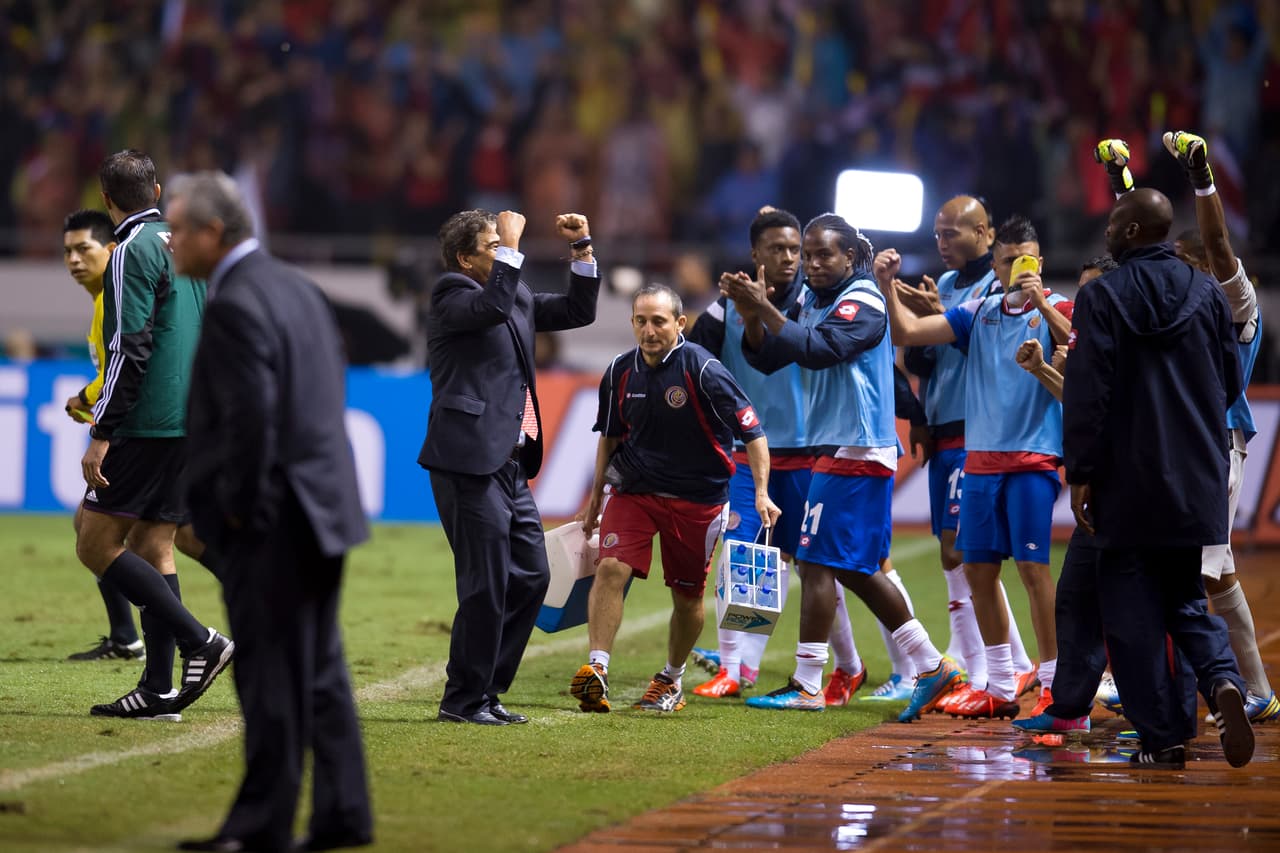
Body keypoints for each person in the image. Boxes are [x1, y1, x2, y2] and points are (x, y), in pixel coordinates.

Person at [169, 171, 372, 853]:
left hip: (273, 517)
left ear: (213, 233)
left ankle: (261, 825)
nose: (169, 239)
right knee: (319, 668)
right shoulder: (294, 286)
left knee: (269, 674)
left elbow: (251, 417)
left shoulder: (234, 301)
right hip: (324, 504)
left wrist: (235, 511)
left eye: (177, 227)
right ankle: (343, 811)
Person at [722, 213, 960, 720]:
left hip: (858, 447)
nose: (811, 263)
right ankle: (929, 664)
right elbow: (767, 360)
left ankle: (811, 681)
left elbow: (820, 351)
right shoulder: (813, 297)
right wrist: (751, 315)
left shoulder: (865, 300)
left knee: (817, 562)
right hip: (835, 446)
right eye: (808, 255)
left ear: (851, 257)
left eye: (823, 254)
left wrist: (766, 306)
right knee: (851, 568)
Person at [1063, 186, 1252, 769]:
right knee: (1187, 603)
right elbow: (1230, 380)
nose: (1108, 233)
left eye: (1116, 225)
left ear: (1134, 232)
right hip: (1195, 476)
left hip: (1127, 478)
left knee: (1130, 616)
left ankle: (1162, 738)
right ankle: (1222, 680)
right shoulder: (1205, 291)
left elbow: (1089, 392)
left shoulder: (1102, 297)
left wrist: (1083, 472)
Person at [874, 216, 1071, 720]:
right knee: (977, 569)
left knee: (1033, 569)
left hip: (1032, 461)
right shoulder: (978, 312)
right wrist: (884, 285)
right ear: (997, 265)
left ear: (1041, 263)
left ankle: (1051, 682)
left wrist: (1043, 303)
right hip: (981, 463)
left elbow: (1083, 345)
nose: (1018, 270)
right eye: (1009, 262)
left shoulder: (1060, 308)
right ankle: (1001, 684)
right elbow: (907, 330)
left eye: (1027, 261)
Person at [421, 208, 600, 726]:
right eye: (492, 243)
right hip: (468, 460)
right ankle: (461, 701)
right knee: (486, 583)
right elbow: (493, 304)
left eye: (504, 242)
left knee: (532, 576)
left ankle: (488, 691)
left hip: (511, 462)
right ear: (464, 258)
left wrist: (582, 249)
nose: (503, 248)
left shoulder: (511, 292)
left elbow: (576, 311)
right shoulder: (451, 294)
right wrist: (516, 247)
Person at [571, 284, 780, 714]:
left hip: (698, 499)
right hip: (634, 490)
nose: (649, 330)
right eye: (641, 321)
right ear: (631, 323)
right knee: (610, 567)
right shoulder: (618, 372)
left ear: (679, 324)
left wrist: (760, 492)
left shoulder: (703, 370)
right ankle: (597, 669)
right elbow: (609, 437)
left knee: (687, 599)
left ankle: (671, 678)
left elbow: (753, 431)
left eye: (659, 321)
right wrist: (595, 497)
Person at [77, 149, 232, 722]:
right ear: (160, 191)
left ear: (106, 199)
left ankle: (202, 641)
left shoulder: (128, 252)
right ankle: (159, 690)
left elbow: (129, 348)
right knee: (154, 543)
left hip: (148, 420)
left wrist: (103, 431)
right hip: (190, 417)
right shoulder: (185, 242)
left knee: (94, 542)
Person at [896, 196, 1039, 710]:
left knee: (968, 552)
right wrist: (918, 416)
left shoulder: (994, 288)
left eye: (951, 233)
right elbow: (922, 359)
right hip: (943, 425)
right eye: (937, 234)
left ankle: (991, 665)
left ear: (984, 232)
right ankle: (1000, 661)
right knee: (954, 554)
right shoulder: (949, 285)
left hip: (979, 431)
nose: (941, 243)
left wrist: (938, 317)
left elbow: (994, 349)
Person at [59, 209, 143, 662]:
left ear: (111, 250)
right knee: (96, 528)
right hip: (142, 429)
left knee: (102, 532)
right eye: (67, 251)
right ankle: (127, 636)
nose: (73, 259)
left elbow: (123, 365)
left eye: (83, 248)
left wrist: (83, 397)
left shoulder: (115, 298)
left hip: (147, 432)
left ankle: (193, 637)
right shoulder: (102, 300)